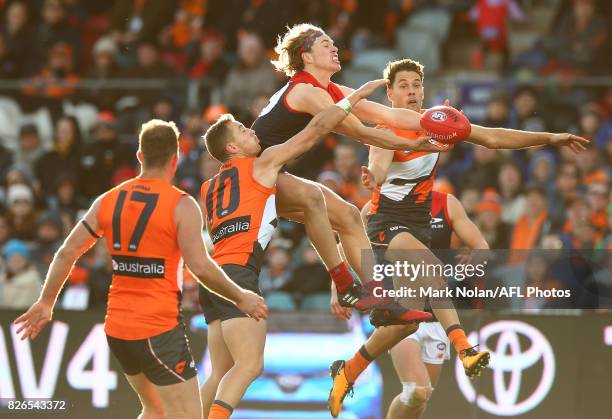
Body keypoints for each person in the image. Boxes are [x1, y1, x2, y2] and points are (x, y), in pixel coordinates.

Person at [328, 56, 588, 417]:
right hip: (386, 225)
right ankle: (465, 348)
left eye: (416, 85)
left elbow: (494, 138)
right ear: (389, 94)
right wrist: (374, 178)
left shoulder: (438, 124)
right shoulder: (384, 128)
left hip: (417, 225)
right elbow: (379, 163)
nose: (411, 91)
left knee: (407, 319)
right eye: (403, 85)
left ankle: (350, 369)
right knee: (431, 268)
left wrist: (549, 138)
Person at [199, 79, 430, 419]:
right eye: (243, 131)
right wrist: (354, 98)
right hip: (240, 277)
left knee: (219, 372)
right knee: (248, 367)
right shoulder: (263, 164)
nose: (252, 133)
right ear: (233, 149)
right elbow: (315, 129)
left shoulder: (208, 187)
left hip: (215, 281)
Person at [14, 119, 268, 419]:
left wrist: (46, 302)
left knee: (154, 409)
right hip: (159, 329)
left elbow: (67, 251)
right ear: (175, 160)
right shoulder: (181, 205)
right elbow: (200, 266)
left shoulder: (108, 200)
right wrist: (241, 297)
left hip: (118, 329)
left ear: (139, 156)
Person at [384, 191, 489, 419]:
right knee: (416, 392)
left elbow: (482, 246)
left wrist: (471, 263)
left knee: (422, 398)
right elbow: (349, 239)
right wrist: (337, 288)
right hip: (401, 311)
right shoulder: (383, 202)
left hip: (438, 315)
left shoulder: (447, 203)